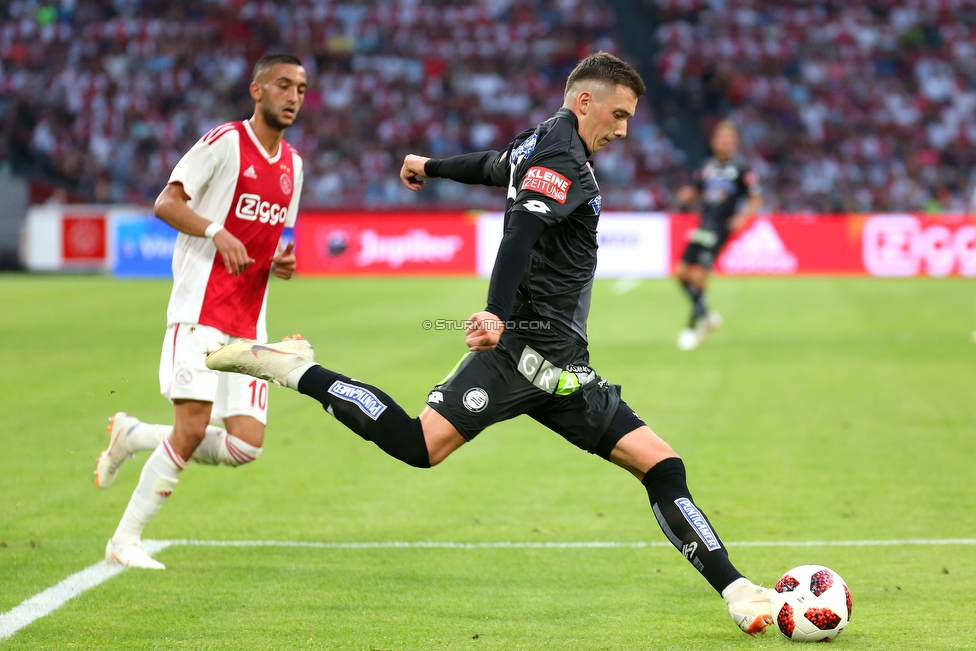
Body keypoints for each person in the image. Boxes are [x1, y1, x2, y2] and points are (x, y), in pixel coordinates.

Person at [206, 52, 772, 636]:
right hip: (517, 354)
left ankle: (736, 591)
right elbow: (522, 230)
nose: (624, 129)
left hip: (566, 370)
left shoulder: (540, 142)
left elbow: (492, 165)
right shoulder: (560, 155)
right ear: (586, 102)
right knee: (418, 446)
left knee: (661, 464)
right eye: (619, 114)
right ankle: (297, 368)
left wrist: (430, 164)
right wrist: (496, 315)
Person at [94, 53, 309, 569]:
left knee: (245, 446)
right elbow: (166, 202)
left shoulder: (295, 167)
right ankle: (124, 540)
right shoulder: (224, 142)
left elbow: (281, 242)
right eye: (283, 85)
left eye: (301, 89)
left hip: (249, 323)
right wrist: (217, 230)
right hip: (199, 313)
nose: (293, 96)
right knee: (191, 428)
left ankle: (133, 435)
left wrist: (281, 262)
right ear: (256, 91)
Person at [674, 120, 762, 350]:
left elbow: (755, 198)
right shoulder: (706, 167)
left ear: (735, 143)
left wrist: (742, 218)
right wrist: (687, 196)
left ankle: (692, 326)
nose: (724, 143)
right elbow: (697, 192)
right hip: (703, 225)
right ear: (714, 142)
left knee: (699, 275)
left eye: (728, 139)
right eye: (720, 138)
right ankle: (707, 314)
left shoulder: (742, 169)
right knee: (680, 272)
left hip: (721, 227)